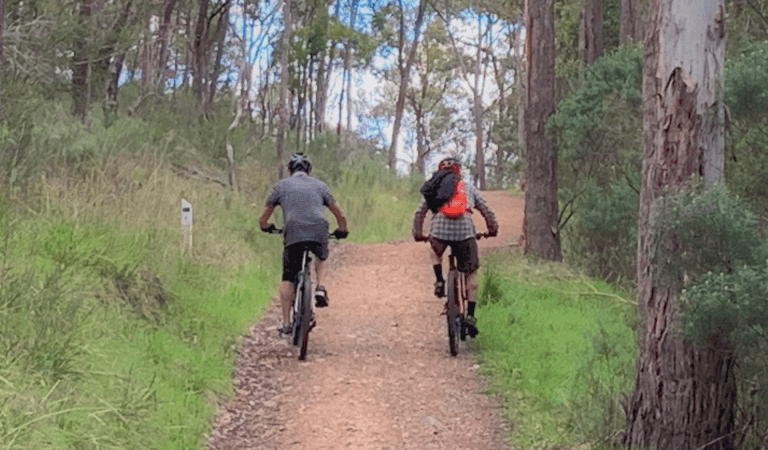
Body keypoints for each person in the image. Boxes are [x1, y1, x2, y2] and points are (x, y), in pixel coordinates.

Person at [259, 153, 348, 335]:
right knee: (321, 256)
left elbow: (262, 219)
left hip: (293, 230)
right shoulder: (320, 186)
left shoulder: (280, 187)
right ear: (309, 170)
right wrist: (342, 230)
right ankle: (320, 287)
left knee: (288, 277)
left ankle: (286, 323)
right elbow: (339, 214)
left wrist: (267, 227)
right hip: (318, 228)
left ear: (290, 170)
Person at [412, 157, 498, 337]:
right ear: (459, 171)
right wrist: (492, 229)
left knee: (434, 250)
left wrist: (418, 233)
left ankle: (439, 280)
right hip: (465, 231)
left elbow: (420, 212)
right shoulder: (467, 187)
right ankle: (471, 316)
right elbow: (486, 209)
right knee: (470, 271)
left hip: (439, 230)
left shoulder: (434, 187)